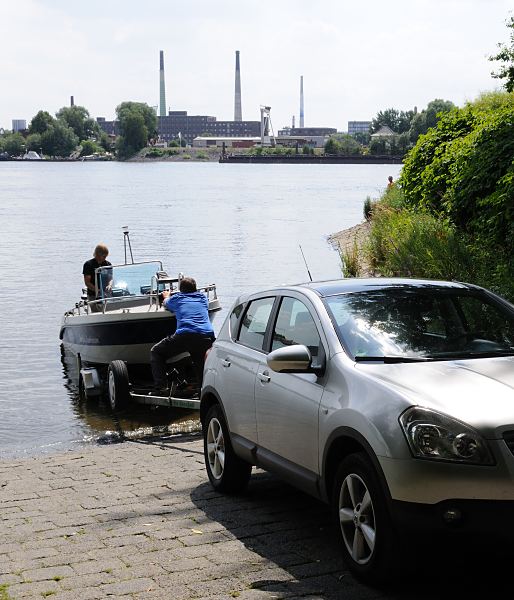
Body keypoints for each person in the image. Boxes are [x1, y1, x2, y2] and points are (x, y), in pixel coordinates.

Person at [151, 276, 215, 394]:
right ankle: (202, 394)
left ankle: (160, 387)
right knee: (201, 366)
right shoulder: (203, 298)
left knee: (156, 352)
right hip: (206, 336)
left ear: (181, 290)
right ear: (195, 288)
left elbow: (166, 303)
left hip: (186, 335)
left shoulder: (177, 298)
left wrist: (166, 296)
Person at [82, 244, 112, 308]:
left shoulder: (108, 264)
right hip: (93, 294)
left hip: (106, 294)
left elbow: (110, 278)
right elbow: (87, 282)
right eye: (103, 256)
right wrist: (97, 290)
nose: (105, 258)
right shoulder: (88, 264)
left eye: (106, 256)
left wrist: (109, 285)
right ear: (98, 254)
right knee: (96, 310)